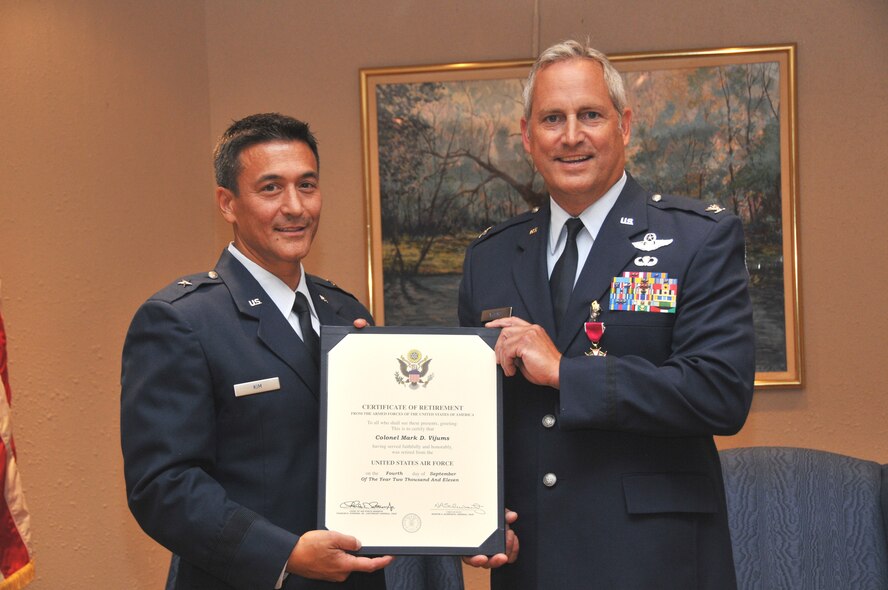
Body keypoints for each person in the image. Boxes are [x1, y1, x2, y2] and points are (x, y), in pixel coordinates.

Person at [458, 40, 755, 589]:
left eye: (589, 115)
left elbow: (720, 391)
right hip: (534, 563)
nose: (571, 136)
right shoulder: (490, 258)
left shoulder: (696, 240)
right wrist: (474, 511)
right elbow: (474, 416)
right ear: (527, 136)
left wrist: (566, 373)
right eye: (552, 119)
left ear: (625, 125)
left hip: (653, 561)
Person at [121, 113, 393, 589]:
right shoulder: (181, 321)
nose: (295, 207)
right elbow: (162, 488)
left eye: (307, 185)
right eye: (271, 189)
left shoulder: (345, 311)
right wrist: (285, 553)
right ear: (227, 203)